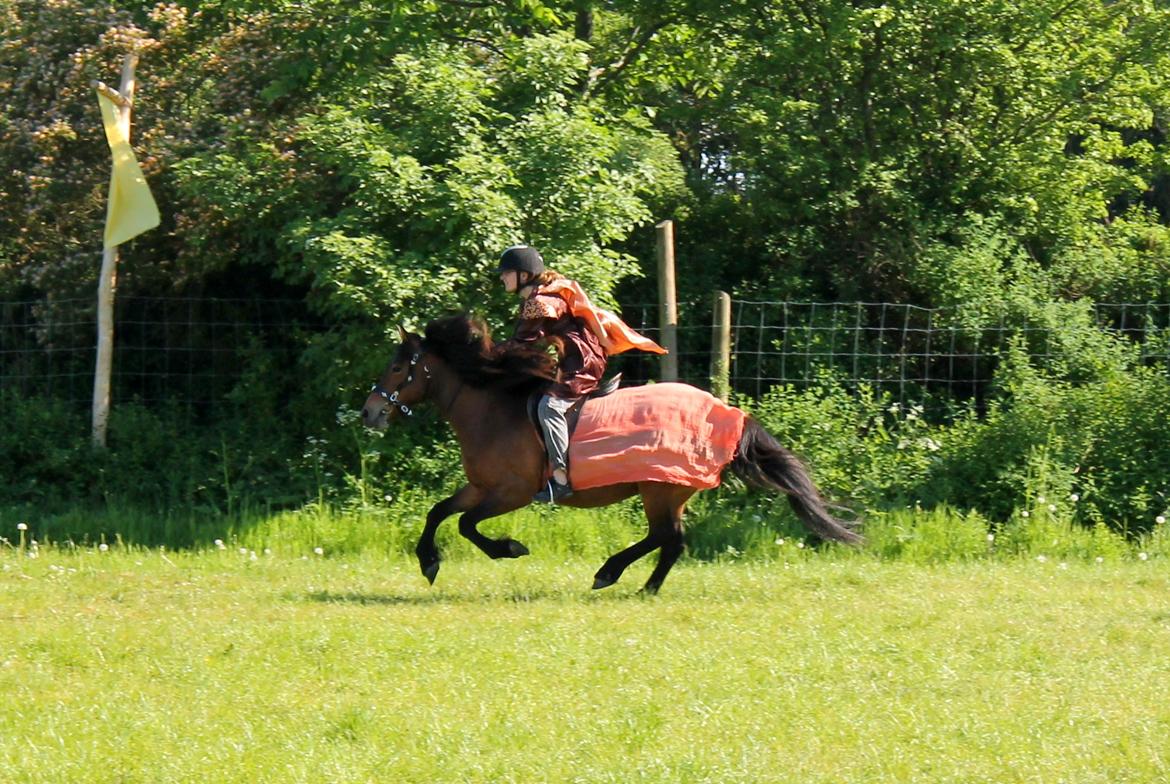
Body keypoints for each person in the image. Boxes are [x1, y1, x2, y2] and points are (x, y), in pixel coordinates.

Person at [496, 244, 665, 503]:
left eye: (506, 273)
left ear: (524, 275)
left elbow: (521, 344)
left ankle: (560, 480)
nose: (502, 278)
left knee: (549, 407)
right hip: (576, 359)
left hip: (582, 364)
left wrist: (486, 352)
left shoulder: (539, 303)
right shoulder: (540, 298)